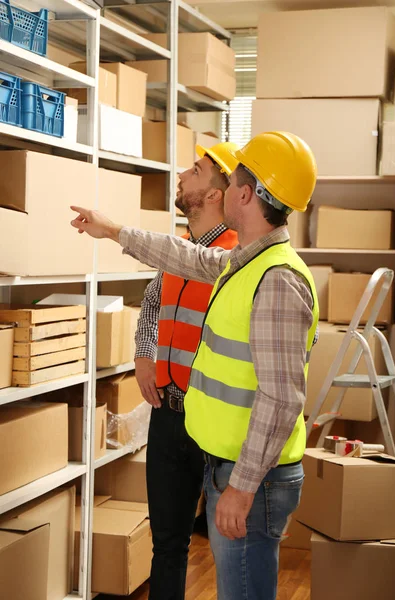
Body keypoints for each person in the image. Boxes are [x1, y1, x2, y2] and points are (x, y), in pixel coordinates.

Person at [71, 130, 319, 600]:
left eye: (234, 179)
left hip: (254, 477)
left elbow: (283, 398)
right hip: (228, 461)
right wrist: (113, 230)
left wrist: (242, 488)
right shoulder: (242, 263)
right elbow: (181, 256)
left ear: (244, 195)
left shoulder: (277, 280)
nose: (224, 190)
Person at [134, 142, 239, 600]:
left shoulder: (235, 255)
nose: (182, 174)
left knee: (229, 547)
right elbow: (155, 299)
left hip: (215, 418)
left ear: (215, 194)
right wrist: (143, 352)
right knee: (168, 544)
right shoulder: (182, 248)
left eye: (195, 170)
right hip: (169, 411)